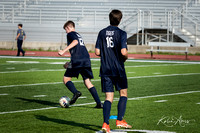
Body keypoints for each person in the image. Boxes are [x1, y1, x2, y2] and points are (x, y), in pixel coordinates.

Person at [95, 9, 132, 133]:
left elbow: (97, 52)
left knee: (108, 97)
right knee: (123, 94)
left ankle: (106, 124)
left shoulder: (101, 32)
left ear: (109, 18)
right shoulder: (121, 33)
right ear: (120, 20)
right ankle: (120, 120)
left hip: (105, 68)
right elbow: (123, 52)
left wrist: (107, 55)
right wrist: (126, 57)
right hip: (118, 68)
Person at [58, 20, 103, 108]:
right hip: (86, 60)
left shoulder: (70, 34)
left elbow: (75, 42)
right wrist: (69, 63)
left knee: (66, 79)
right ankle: (99, 103)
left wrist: (63, 51)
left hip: (77, 60)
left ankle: (76, 92)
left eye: (66, 29)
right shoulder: (78, 34)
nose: (66, 32)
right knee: (87, 82)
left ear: (69, 27)